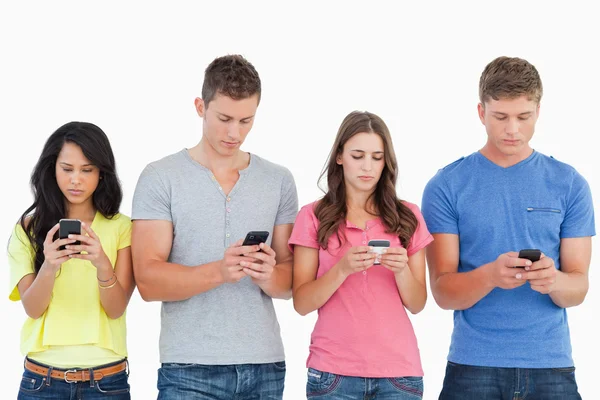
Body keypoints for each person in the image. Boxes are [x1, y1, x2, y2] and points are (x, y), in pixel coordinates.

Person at [422, 56, 595, 399]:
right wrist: (490, 275)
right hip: (473, 366)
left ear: (538, 112)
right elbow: (442, 292)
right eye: (500, 117)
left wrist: (553, 280)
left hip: (550, 364)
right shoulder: (446, 185)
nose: (512, 129)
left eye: (523, 117)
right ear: (481, 112)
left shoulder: (570, 184)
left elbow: (578, 287)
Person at [131, 54, 298, 399]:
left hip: (265, 366)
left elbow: (289, 283)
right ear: (200, 107)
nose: (234, 132)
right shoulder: (160, 177)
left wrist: (267, 273)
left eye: (246, 120)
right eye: (224, 118)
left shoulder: (278, 180)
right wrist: (220, 271)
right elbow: (148, 281)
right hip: (189, 369)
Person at [289, 111, 433, 399]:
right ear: (340, 156)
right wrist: (341, 269)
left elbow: (418, 304)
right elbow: (302, 303)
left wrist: (402, 270)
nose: (367, 166)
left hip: (399, 376)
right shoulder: (313, 216)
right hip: (332, 375)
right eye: (358, 155)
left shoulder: (408, 216)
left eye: (377, 157)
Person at [8, 122, 135, 399]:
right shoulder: (28, 228)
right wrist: (50, 265)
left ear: (102, 173)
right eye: (67, 169)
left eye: (87, 170)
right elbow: (32, 308)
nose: (76, 179)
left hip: (106, 381)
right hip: (42, 380)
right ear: (52, 169)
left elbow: (115, 310)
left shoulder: (123, 227)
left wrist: (102, 263)